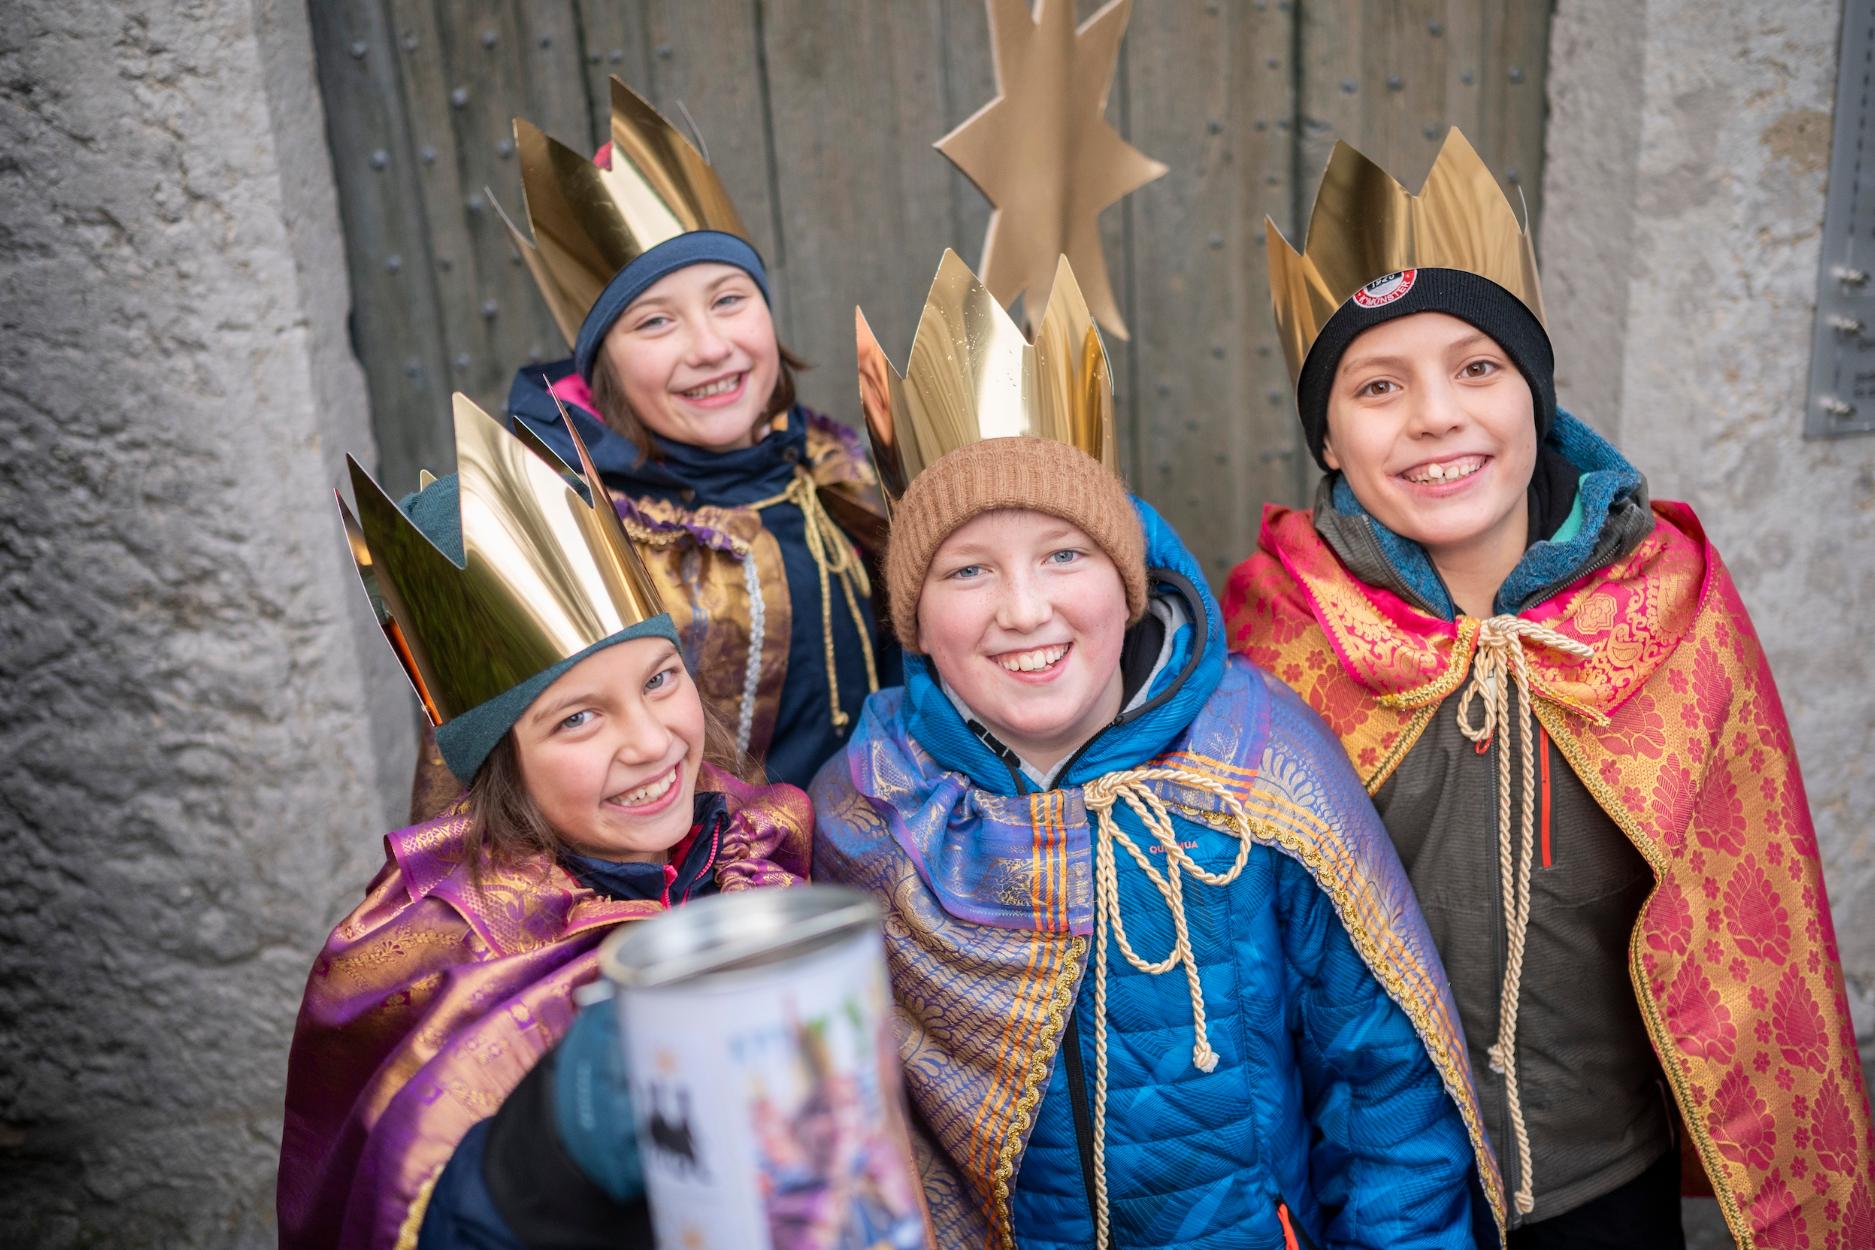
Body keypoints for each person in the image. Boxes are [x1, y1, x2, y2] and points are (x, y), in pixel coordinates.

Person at [1225, 130, 1875, 1247]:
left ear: (1535, 398)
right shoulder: (1276, 640)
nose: (1435, 415)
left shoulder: (1670, 609)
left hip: (1600, 1175)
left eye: (1478, 367)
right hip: (1382, 1189)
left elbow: (1751, 913)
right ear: (1328, 438)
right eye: (1378, 386)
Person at [812, 251, 1501, 1249]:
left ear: (1126, 576)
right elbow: (845, 1139)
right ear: (913, 613)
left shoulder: (1258, 754)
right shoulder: (867, 806)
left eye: (1064, 554)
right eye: (967, 569)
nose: (1023, 609)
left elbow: (1380, 1082)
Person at [277, 396, 812, 1249]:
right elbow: (392, 1213)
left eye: (659, 680)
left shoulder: (766, 844)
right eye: (576, 719)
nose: (649, 742)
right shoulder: (433, 955)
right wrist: (548, 1154)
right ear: (503, 762)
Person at [409, 77, 893, 818]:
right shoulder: (567, 533)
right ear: (601, 368)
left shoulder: (841, 469)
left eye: (729, 300)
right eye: (654, 323)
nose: (709, 347)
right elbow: (487, 806)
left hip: (877, 872)